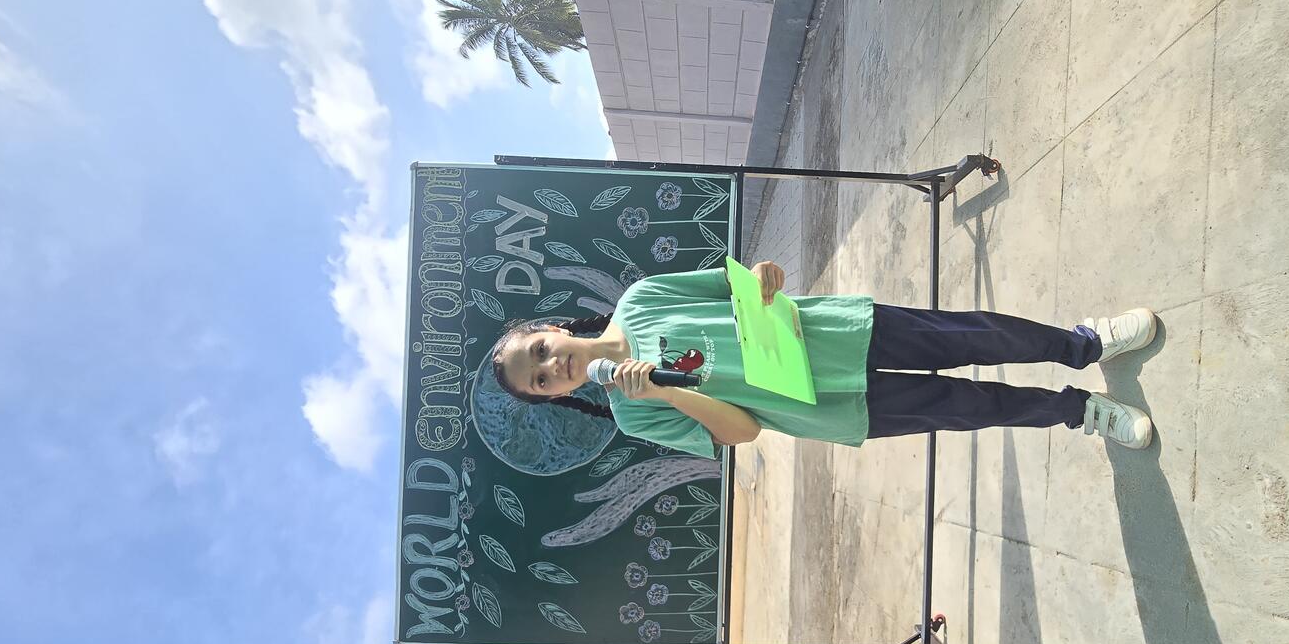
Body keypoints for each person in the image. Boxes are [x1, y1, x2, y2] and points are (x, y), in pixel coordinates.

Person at [489, 261, 1157, 458]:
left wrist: (764, 277)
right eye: (540, 381)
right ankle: (1081, 412)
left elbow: (737, 286)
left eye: (540, 351)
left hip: (838, 333)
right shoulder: (635, 416)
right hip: (831, 406)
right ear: (553, 396)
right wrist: (663, 391)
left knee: (976, 336)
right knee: (969, 407)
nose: (552, 367)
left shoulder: (641, 298)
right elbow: (742, 432)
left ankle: (1084, 344)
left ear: (550, 329)